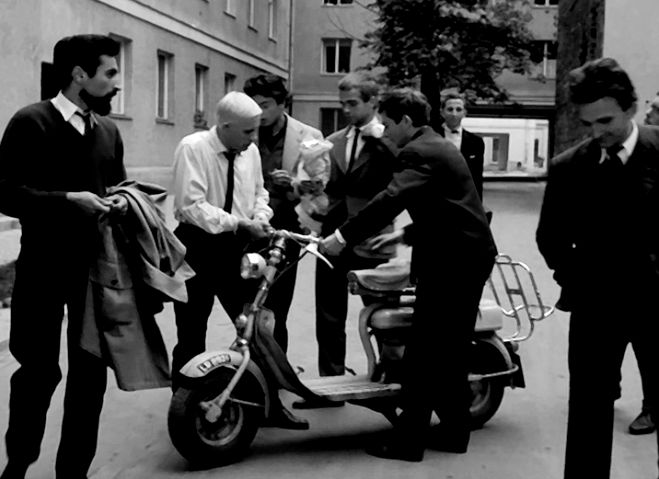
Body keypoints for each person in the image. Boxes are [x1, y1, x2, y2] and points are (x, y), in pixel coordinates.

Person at [322, 88, 496, 461]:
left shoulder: (419, 151)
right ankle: (453, 432)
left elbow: (390, 198)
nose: (383, 131)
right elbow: (448, 205)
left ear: (405, 121)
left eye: (386, 124)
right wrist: (405, 233)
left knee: (424, 352)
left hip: (455, 262)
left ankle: (408, 442)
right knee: (448, 351)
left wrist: (341, 236)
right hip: (464, 256)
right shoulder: (435, 145)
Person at [0, 34, 127, 479]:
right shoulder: (31, 122)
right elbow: (7, 194)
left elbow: (117, 189)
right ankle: (18, 462)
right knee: (37, 372)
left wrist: (126, 203)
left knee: (90, 377)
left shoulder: (109, 131)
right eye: (109, 73)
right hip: (42, 268)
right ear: (79, 75)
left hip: (96, 274)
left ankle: (73, 472)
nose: (117, 83)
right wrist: (69, 199)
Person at [536, 57, 659, 478]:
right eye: (588, 123)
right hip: (595, 309)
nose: (597, 133)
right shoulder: (568, 167)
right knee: (588, 413)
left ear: (631, 108)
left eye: (605, 120)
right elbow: (549, 239)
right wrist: (580, 280)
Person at [171, 91, 308, 429]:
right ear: (225, 126)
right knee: (191, 332)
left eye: (256, 130)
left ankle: (270, 407)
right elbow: (191, 206)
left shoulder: (249, 152)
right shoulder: (193, 148)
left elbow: (260, 192)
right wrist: (239, 222)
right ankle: (187, 412)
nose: (253, 138)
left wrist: (261, 214)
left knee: (255, 328)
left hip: (238, 251)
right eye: (247, 131)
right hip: (198, 248)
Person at [293, 72, 397, 409]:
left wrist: (381, 138)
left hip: (373, 238)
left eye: (353, 104)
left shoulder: (389, 139)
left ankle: (391, 380)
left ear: (373, 102)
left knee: (382, 314)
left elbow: (400, 181)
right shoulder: (333, 140)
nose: (346, 110)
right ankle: (329, 384)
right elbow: (328, 185)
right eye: (343, 104)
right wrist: (310, 189)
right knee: (329, 314)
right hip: (332, 237)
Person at [243, 74, 324, 353]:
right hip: (247, 230)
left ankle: (277, 372)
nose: (259, 113)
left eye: (265, 105)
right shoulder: (243, 131)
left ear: (282, 104)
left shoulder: (310, 136)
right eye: (253, 106)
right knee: (245, 307)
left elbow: (318, 195)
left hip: (286, 234)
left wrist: (292, 185)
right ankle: (249, 368)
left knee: (277, 309)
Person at [436, 91, 485, 200]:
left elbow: (477, 176)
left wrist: (478, 206)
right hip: (437, 198)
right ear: (442, 112)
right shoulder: (432, 137)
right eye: (450, 109)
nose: (454, 114)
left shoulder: (476, 142)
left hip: (465, 198)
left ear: (464, 113)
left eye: (458, 109)